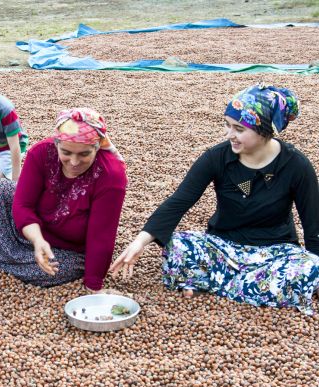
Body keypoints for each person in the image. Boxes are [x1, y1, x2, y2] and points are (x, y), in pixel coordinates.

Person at [110, 84, 319, 314]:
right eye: (227, 125)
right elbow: (179, 201)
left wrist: (314, 270)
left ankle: (214, 284)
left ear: (265, 131)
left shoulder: (296, 165)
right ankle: (250, 289)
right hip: (222, 248)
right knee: (178, 245)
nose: (229, 135)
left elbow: (313, 226)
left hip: (275, 252)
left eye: (239, 128)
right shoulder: (217, 157)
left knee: (308, 268)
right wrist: (140, 242)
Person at [0, 108, 127, 291]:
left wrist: (93, 286)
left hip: (65, 249)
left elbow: (102, 235)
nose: (74, 162)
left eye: (84, 154)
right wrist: (38, 240)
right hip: (32, 230)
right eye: (66, 152)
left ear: (97, 147)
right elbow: (23, 204)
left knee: (61, 269)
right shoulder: (41, 153)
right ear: (56, 143)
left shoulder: (111, 175)